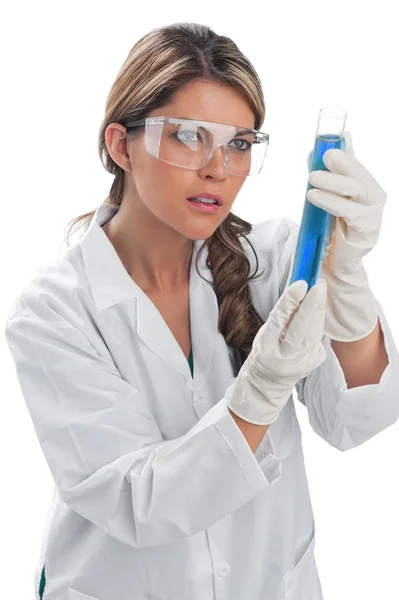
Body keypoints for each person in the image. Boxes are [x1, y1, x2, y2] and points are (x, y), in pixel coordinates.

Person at [4, 22, 399, 600]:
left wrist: (349, 282)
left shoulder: (272, 258)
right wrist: (260, 389)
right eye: (190, 135)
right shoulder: (53, 311)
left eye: (240, 143)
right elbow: (139, 502)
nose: (218, 167)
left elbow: (353, 417)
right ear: (121, 145)